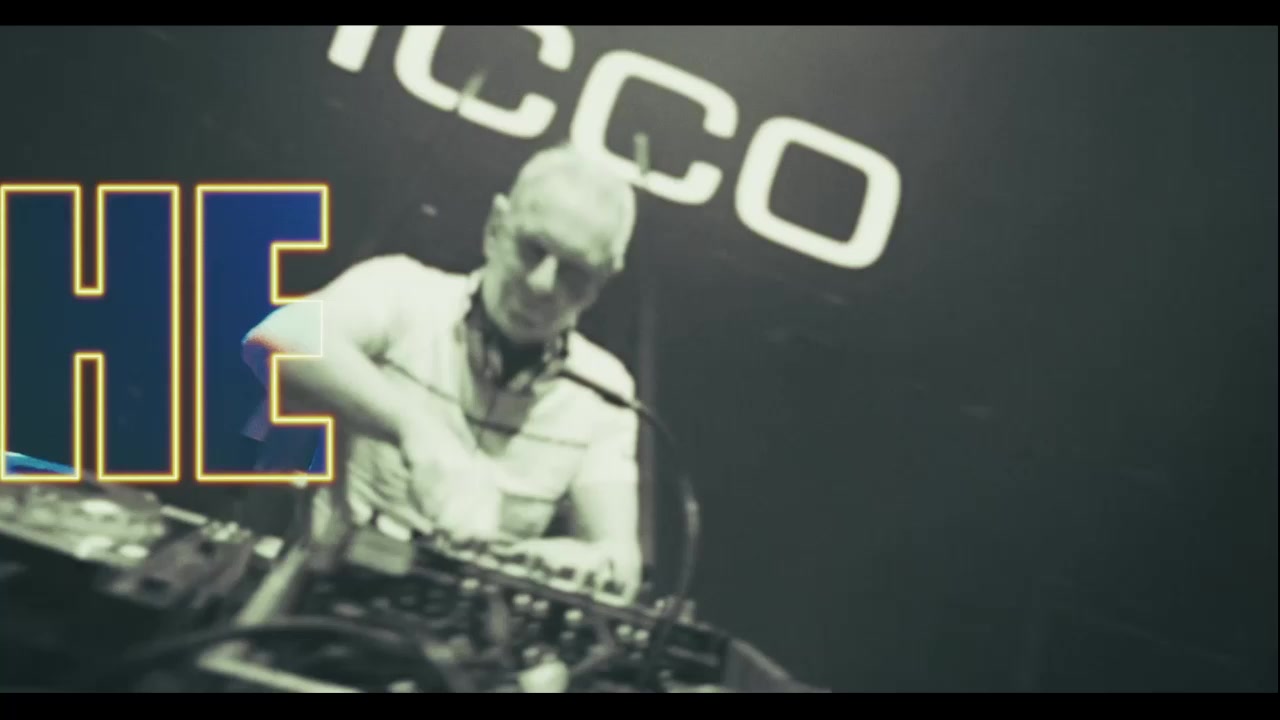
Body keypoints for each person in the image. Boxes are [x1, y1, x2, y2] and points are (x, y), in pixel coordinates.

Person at [240, 143, 644, 601]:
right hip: (329, 599)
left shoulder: (606, 390)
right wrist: (415, 429)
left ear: (602, 282)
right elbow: (276, 338)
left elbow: (620, 560)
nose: (541, 284)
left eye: (575, 273)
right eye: (532, 249)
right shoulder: (401, 290)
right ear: (495, 228)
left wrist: (575, 563)